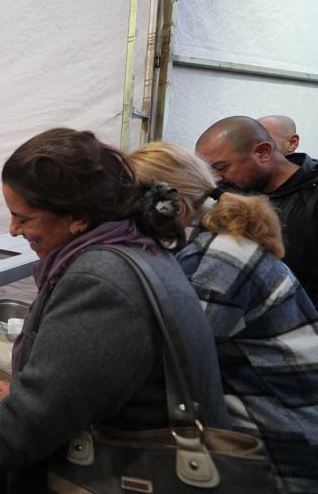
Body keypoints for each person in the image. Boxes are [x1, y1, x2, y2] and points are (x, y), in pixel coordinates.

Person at [0, 128, 227, 490]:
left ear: (78, 217)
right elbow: (79, 383)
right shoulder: (133, 248)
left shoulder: (101, 279)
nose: (14, 229)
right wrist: (28, 388)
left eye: (24, 217)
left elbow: (36, 420)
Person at [129, 141, 318, 493]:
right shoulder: (199, 241)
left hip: (280, 445)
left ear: (168, 204)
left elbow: (168, 358)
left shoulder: (221, 258)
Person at [196, 116, 318, 305]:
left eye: (221, 167)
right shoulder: (233, 192)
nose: (216, 178)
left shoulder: (312, 196)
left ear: (263, 152)